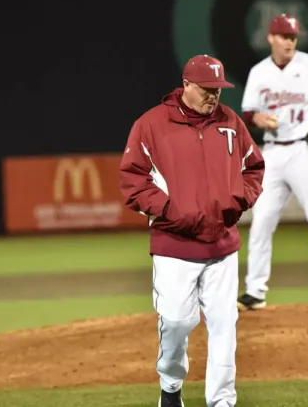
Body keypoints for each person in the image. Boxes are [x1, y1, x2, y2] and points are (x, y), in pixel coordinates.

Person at [119, 54, 265, 407]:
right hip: (174, 245)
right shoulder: (151, 125)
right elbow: (132, 179)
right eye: (206, 89)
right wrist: (169, 210)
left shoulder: (230, 122)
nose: (214, 96)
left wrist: (238, 201)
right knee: (175, 322)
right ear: (186, 85)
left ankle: (222, 401)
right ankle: (170, 387)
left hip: (223, 247)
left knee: (223, 327)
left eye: (218, 89)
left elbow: (254, 167)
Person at [237, 13, 308, 316]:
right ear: (270, 38)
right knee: (261, 221)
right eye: (284, 36)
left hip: (305, 151)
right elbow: (248, 111)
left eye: (293, 37)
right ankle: (255, 290)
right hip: (273, 153)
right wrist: (256, 118)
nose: (289, 41)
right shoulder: (259, 72)